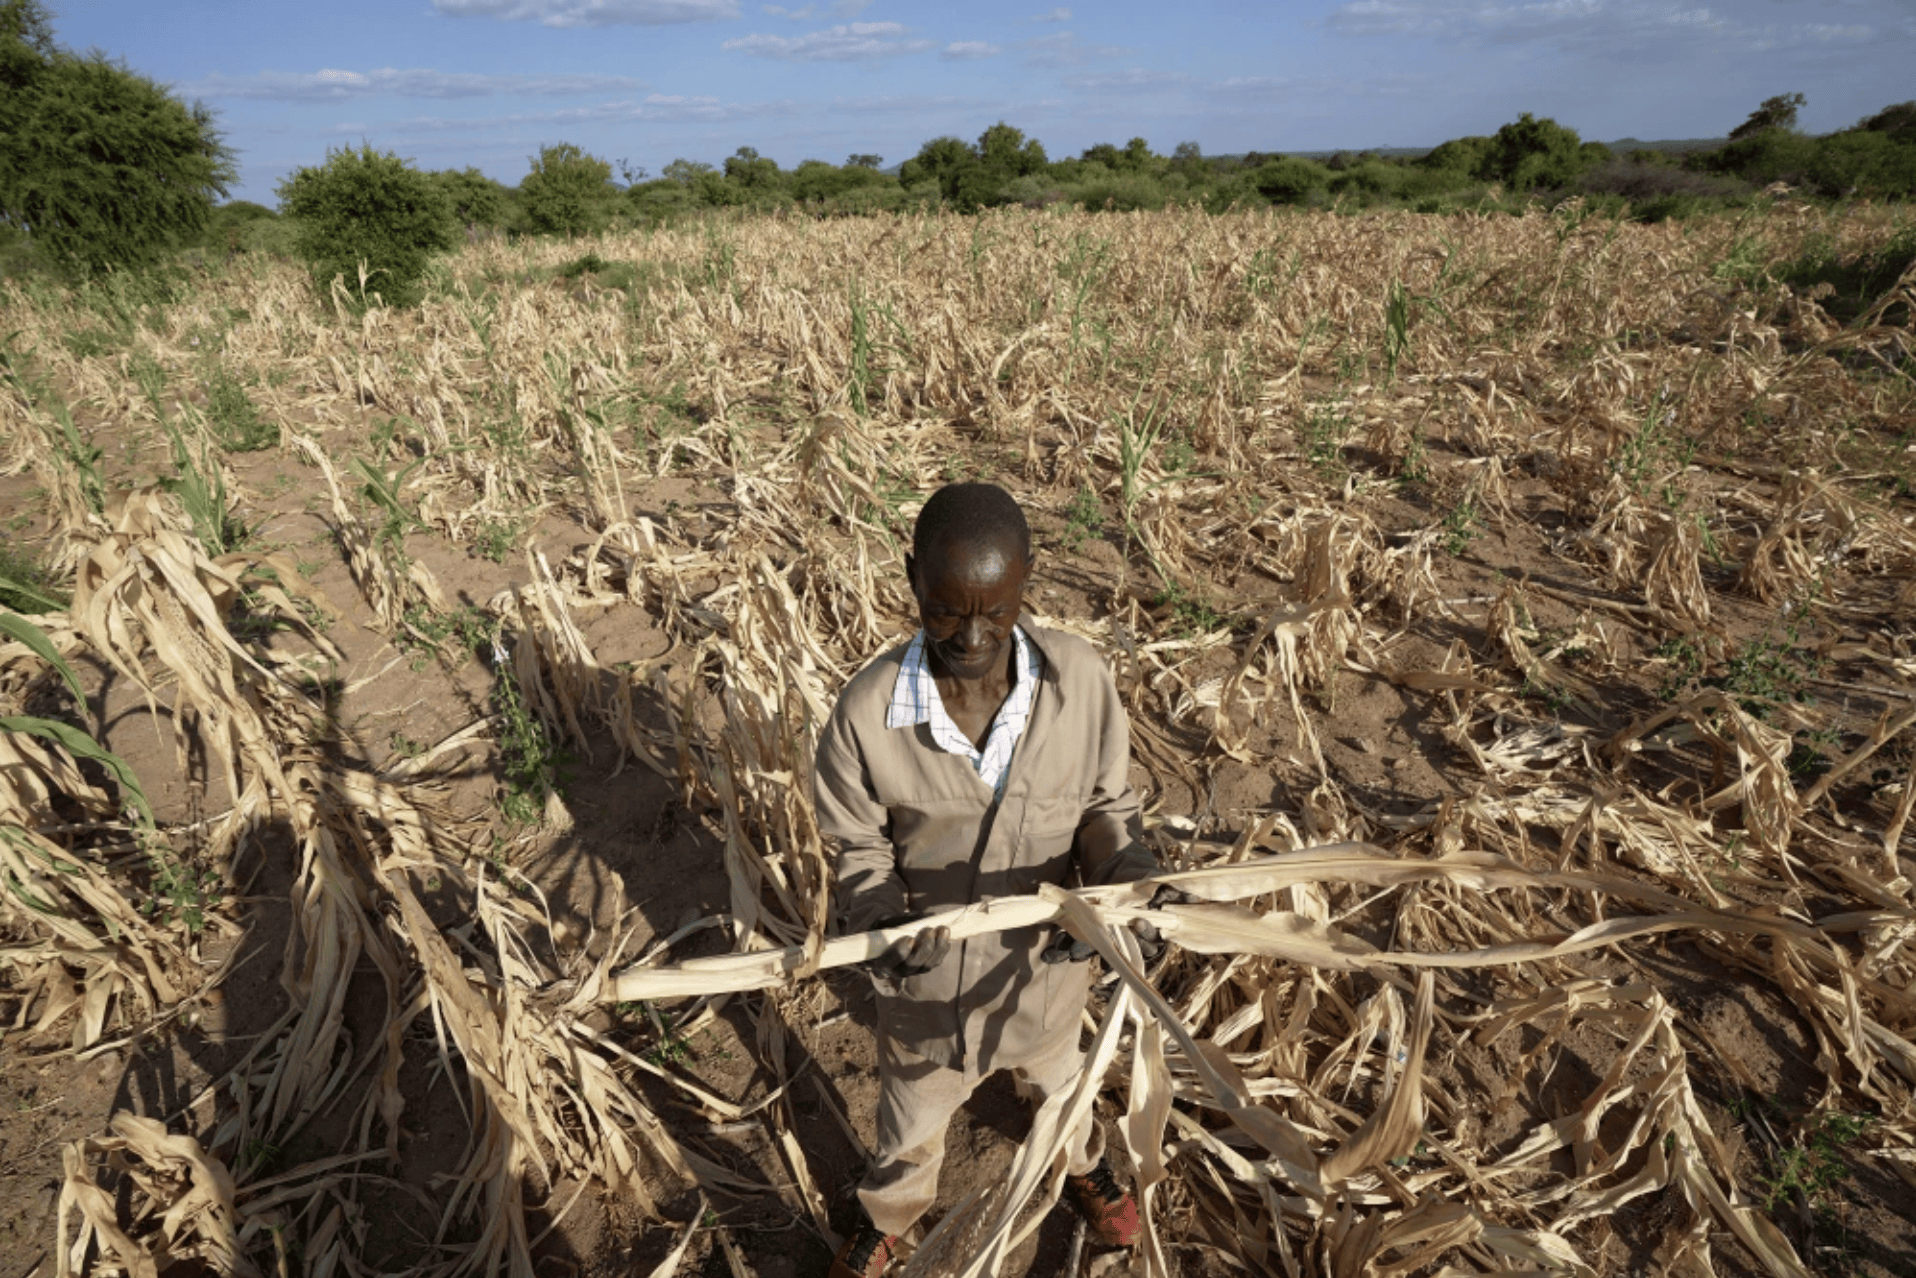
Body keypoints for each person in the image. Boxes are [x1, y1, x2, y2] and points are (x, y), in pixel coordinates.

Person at [813, 482, 1174, 1278]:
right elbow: (859, 850)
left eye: (996, 613)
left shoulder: (1079, 684)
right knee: (910, 1127)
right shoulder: (866, 715)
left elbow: (1107, 812)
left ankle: (1081, 1165)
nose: (972, 637)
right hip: (927, 1000)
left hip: (1043, 984)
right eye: (945, 611)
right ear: (911, 578)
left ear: (1026, 584)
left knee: (1063, 1091)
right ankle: (890, 1217)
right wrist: (879, 918)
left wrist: (1131, 878)